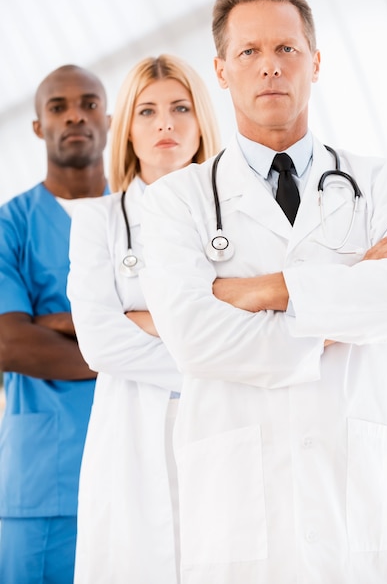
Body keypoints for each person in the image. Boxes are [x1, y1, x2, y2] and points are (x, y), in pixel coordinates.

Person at [138, 0, 387, 584]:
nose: (270, 67)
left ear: (315, 63)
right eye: (250, 52)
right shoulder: (177, 202)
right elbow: (193, 339)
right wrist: (350, 289)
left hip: (357, 511)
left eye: (286, 50)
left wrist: (268, 290)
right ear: (221, 70)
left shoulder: (379, 182)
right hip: (240, 512)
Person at [67, 54, 220, 584]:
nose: (166, 125)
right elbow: (101, 342)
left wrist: (150, 317)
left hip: (224, 426)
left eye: (181, 108)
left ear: (202, 121)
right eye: (147, 111)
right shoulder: (97, 222)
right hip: (132, 433)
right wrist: (215, 341)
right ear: (126, 129)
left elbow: (266, 325)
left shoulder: (241, 220)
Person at [0, 64, 110, 584]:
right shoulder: (10, 224)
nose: (75, 117)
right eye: (58, 107)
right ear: (38, 126)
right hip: (42, 477)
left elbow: (181, 327)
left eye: (88, 104)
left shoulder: (143, 216)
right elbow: (8, 341)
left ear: (109, 119)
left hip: (131, 465)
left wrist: (56, 324)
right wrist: (121, 349)